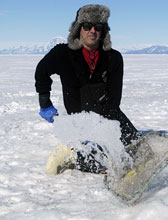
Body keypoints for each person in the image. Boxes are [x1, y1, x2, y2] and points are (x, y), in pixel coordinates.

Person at [35, 5, 139, 174]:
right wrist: (44, 101)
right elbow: (41, 72)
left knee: (137, 152)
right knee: (94, 167)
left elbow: (115, 96)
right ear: (78, 29)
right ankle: (69, 150)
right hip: (80, 119)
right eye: (87, 26)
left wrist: (102, 130)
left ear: (103, 32)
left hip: (109, 115)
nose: (92, 31)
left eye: (98, 27)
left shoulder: (113, 58)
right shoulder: (62, 53)